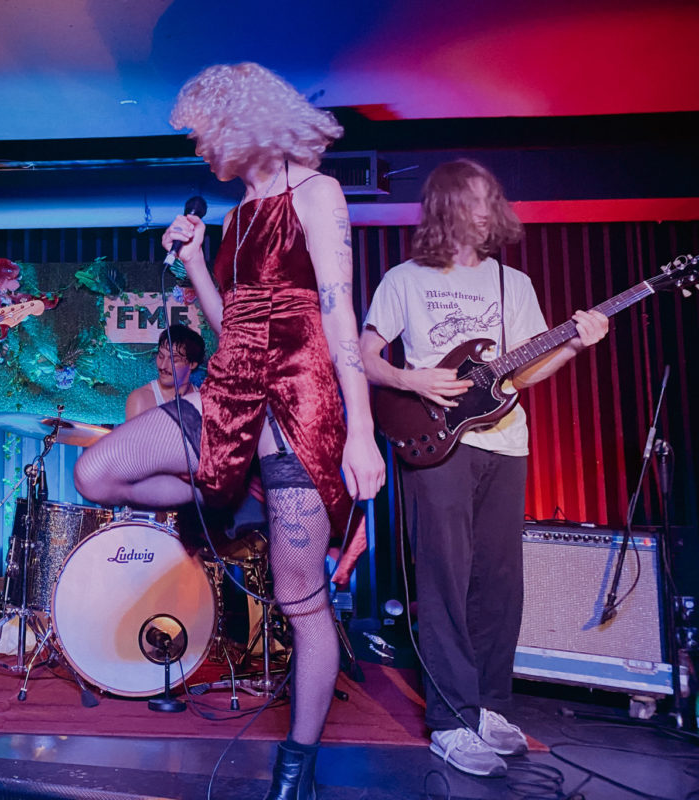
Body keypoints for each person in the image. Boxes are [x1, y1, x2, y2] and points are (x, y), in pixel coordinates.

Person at [75, 63, 385, 800]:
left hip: (302, 402)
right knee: (95, 472)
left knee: (300, 598)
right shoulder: (238, 215)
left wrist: (362, 429)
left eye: (206, 134)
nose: (201, 149)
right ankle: (234, 496)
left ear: (245, 124)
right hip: (230, 395)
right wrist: (192, 262)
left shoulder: (317, 193)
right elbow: (231, 326)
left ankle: (295, 769)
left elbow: (339, 312)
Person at [359, 159, 609, 778]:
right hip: (433, 439)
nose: (486, 210)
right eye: (474, 199)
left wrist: (574, 345)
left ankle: (491, 706)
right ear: (446, 206)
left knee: (499, 583)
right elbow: (365, 355)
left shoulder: (512, 283)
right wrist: (411, 378)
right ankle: (450, 720)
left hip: (506, 442)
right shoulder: (404, 279)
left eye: (490, 199)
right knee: (444, 577)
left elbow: (524, 370)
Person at [124, 323, 205, 419]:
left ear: (192, 364)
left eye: (174, 360)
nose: (163, 366)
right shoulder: (140, 399)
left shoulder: (203, 401)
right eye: (161, 356)